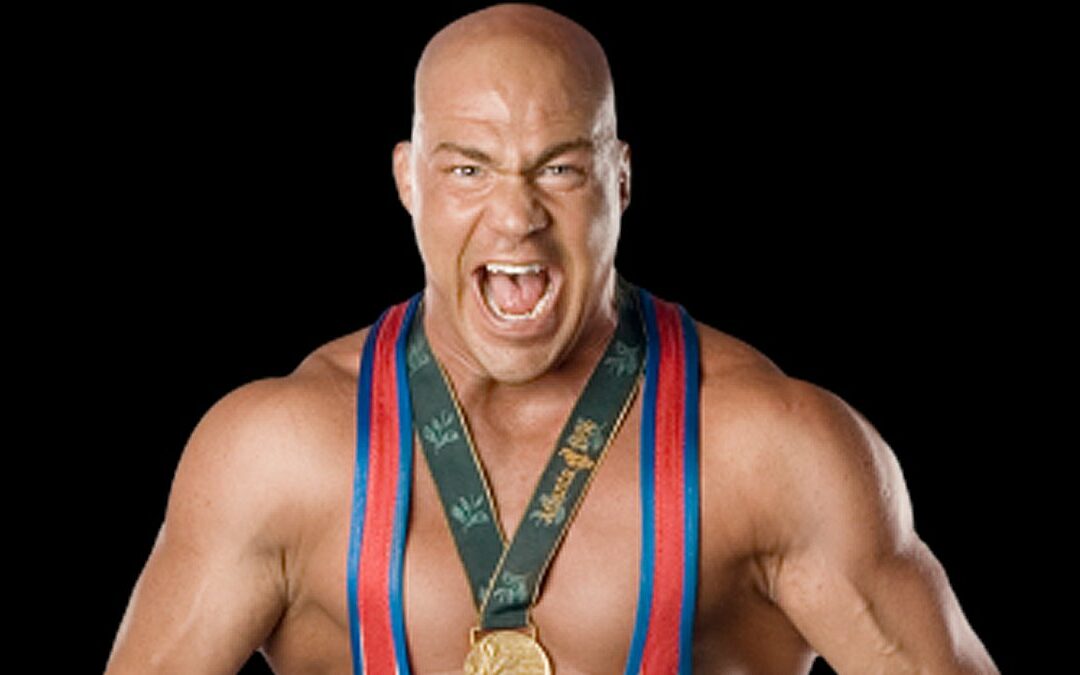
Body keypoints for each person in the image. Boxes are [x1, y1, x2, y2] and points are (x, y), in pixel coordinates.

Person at [106, 3, 999, 673]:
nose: (516, 216)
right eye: (469, 168)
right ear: (408, 181)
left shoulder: (773, 449)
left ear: (620, 179)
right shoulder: (275, 455)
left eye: (560, 168)